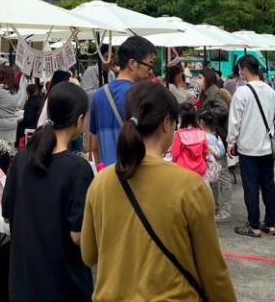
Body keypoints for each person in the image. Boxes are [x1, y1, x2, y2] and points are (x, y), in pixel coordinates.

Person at [80, 83, 237, 302]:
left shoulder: (101, 183)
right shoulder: (190, 186)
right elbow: (212, 270)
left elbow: (89, 254)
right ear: (166, 123)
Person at [2, 82, 94, 301]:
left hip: (23, 283)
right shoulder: (78, 169)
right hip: (63, 286)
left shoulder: (22, 158)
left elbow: (7, 213)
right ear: (80, 120)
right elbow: (79, 235)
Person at [228, 55, 275, 238]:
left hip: (248, 147)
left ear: (244, 69)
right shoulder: (271, 91)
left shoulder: (241, 93)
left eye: (240, 70)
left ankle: (254, 225)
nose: (240, 73)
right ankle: (271, 224)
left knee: (251, 187)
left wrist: (230, 142)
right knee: (268, 185)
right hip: (267, 147)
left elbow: (234, 122)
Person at [88, 35, 156, 167]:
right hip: (134, 175)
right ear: (132, 64)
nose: (150, 72)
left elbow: (94, 146)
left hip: (108, 177)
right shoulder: (141, 96)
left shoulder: (99, 95)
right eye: (150, 64)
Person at [171, 103, 210, 181]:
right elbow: (205, 152)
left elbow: (175, 155)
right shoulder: (201, 132)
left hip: (184, 170)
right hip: (200, 169)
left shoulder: (179, 134)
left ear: (181, 118)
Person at [0, 63, 26, 147]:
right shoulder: (15, 91)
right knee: (9, 150)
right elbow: (19, 104)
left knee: (0, 150)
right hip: (12, 123)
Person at [17, 81, 44, 146]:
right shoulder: (41, 99)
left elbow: (28, 119)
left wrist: (20, 122)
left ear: (27, 92)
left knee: (18, 128)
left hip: (32, 125)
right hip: (39, 124)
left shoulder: (30, 102)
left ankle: (18, 145)